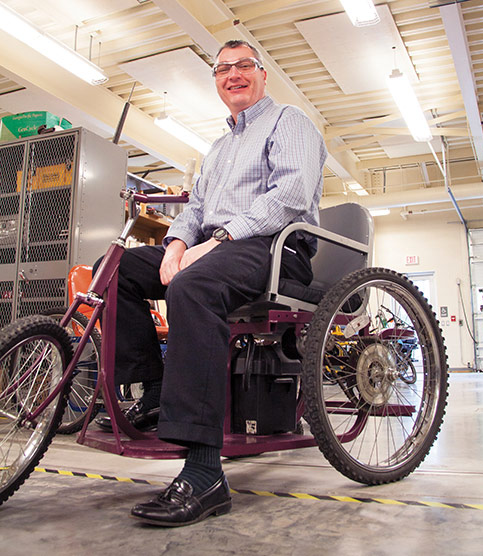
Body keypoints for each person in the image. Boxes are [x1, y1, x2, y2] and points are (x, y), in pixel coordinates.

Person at [98, 39, 327, 527]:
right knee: (113, 270)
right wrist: (178, 245)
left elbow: (290, 194)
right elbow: (194, 212)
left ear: (262, 74)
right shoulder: (218, 148)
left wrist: (216, 241)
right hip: (216, 248)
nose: (233, 74)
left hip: (274, 248)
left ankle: (204, 474)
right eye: (223, 68)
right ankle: (155, 394)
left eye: (243, 65)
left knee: (192, 288)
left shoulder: (290, 122)